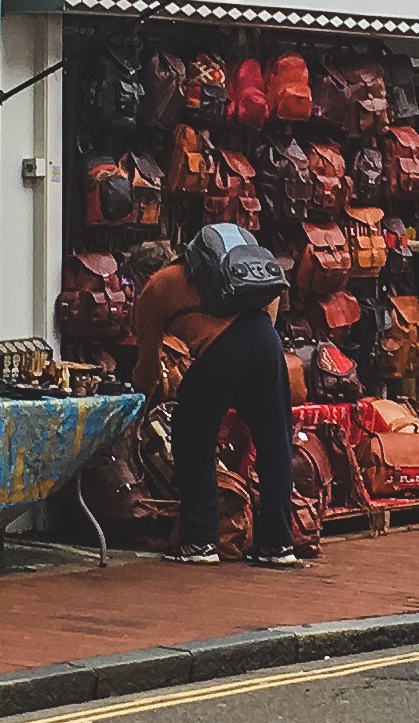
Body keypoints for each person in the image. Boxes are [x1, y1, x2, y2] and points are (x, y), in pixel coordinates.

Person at [127, 238, 304, 570]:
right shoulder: (220, 267)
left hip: (221, 350)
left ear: (139, 272)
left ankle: (199, 539)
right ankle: (278, 544)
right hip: (267, 342)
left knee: (192, 435)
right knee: (273, 441)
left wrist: (140, 400)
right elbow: (271, 302)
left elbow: (148, 362)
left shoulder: (156, 287)